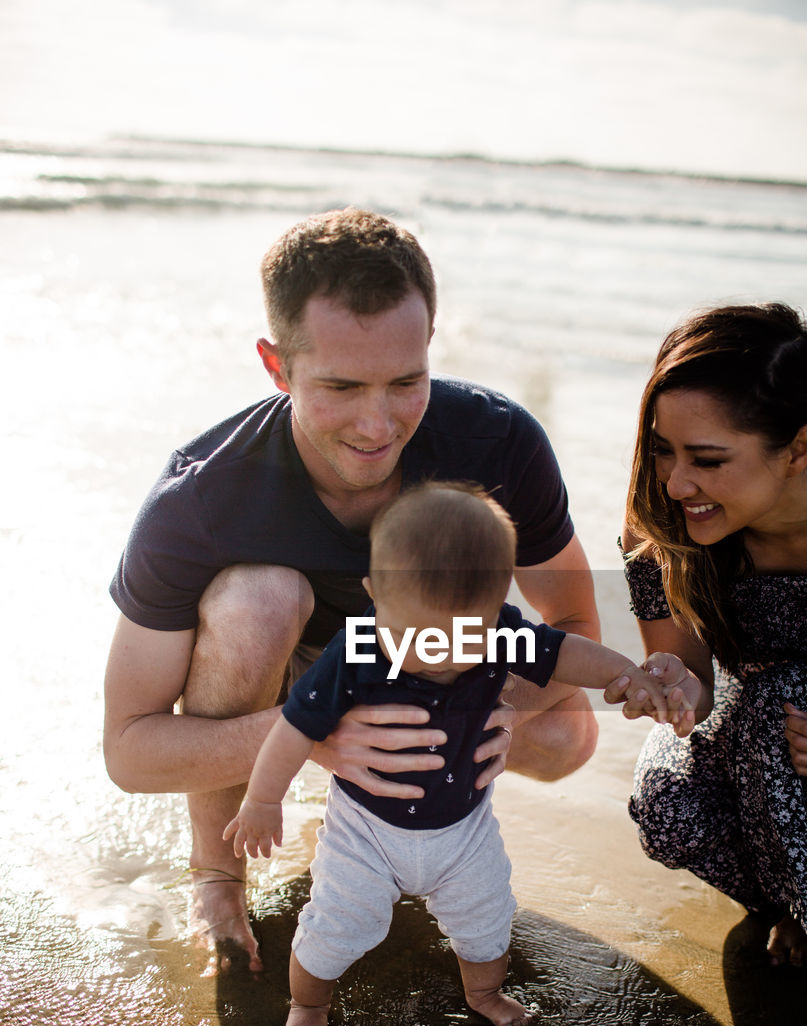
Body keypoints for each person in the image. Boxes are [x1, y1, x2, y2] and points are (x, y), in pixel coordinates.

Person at [103, 207, 601, 973]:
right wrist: (314, 733)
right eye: (339, 386)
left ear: (430, 346)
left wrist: (489, 707)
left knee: (566, 735)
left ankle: (406, 837)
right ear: (278, 367)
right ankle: (218, 873)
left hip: (441, 662)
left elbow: (574, 621)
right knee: (255, 598)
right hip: (287, 674)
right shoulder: (201, 502)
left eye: (406, 382)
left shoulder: (497, 442)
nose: (377, 424)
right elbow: (130, 751)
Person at [224, 482, 671, 1026]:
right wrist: (262, 800)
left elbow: (565, 652)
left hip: (464, 832)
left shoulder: (499, 633)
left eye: (460, 636)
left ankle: (483, 993)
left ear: (494, 607)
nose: (434, 653)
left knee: (486, 922)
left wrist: (627, 674)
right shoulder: (359, 646)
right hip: (366, 833)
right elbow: (295, 726)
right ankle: (308, 1004)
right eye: (413, 634)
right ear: (374, 594)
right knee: (334, 929)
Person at [619, 301, 807, 967]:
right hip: (770, 736)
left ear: (798, 449)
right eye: (663, 450)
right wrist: (669, 686)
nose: (675, 481)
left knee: (789, 693)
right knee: (666, 804)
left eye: (708, 459)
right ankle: (786, 903)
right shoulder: (662, 521)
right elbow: (689, 682)